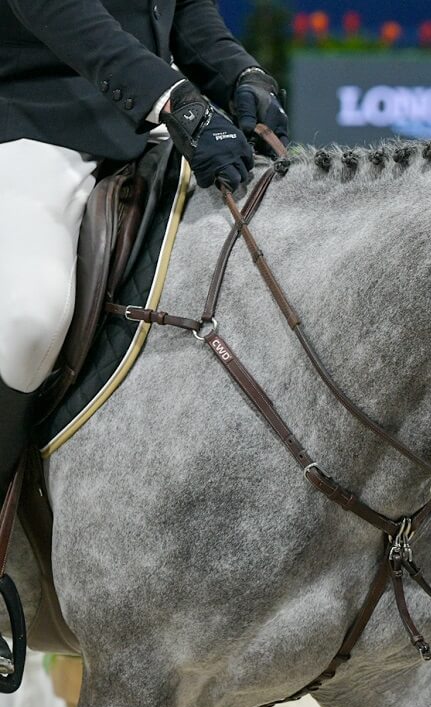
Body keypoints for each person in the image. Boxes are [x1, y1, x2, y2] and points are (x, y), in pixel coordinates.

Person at [0, 0, 290, 493]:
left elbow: (185, 6)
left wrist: (241, 73)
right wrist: (175, 100)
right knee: (30, 319)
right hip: (38, 117)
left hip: (154, 118)